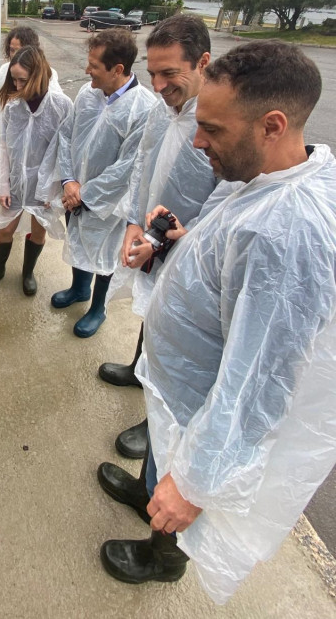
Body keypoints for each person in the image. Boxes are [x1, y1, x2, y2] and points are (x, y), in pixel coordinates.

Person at [100, 42, 336, 605]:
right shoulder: (264, 178)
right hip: (180, 391)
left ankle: (161, 557)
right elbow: (231, 267)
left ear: (272, 125)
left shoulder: (285, 233)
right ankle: (150, 490)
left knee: (178, 486)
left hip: (201, 408)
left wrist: (194, 485)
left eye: (212, 128)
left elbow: (255, 385)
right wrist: (181, 244)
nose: (198, 140)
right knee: (163, 458)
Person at [96, 16, 215, 478]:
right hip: (151, 238)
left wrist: (160, 244)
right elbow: (144, 165)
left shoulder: (216, 121)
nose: (159, 84)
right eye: (153, 73)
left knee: (176, 339)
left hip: (186, 256)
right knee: (151, 315)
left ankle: (154, 422)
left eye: (170, 74)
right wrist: (132, 222)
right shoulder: (164, 111)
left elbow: (217, 207)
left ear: (203, 62)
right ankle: (137, 367)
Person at [52, 29, 155, 337]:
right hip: (75, 192)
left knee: (106, 255)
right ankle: (79, 289)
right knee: (79, 241)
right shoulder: (87, 93)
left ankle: (98, 308)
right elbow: (66, 134)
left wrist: (85, 193)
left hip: (109, 202)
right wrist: (69, 181)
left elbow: (128, 167)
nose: (87, 71)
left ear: (118, 69)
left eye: (94, 65)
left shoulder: (144, 108)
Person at [0, 46, 73, 296]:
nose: (17, 86)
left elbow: (66, 152)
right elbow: (2, 149)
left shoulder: (61, 106)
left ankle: (28, 272)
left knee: (38, 229)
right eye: (14, 80)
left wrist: (53, 191)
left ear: (39, 74)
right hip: (16, 183)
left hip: (45, 187)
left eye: (23, 80)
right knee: (6, 229)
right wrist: (3, 185)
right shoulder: (13, 107)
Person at [0, 26, 60, 92]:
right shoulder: (4, 70)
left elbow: (56, 99)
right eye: (12, 50)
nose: (15, 55)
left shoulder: (47, 72)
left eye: (19, 50)